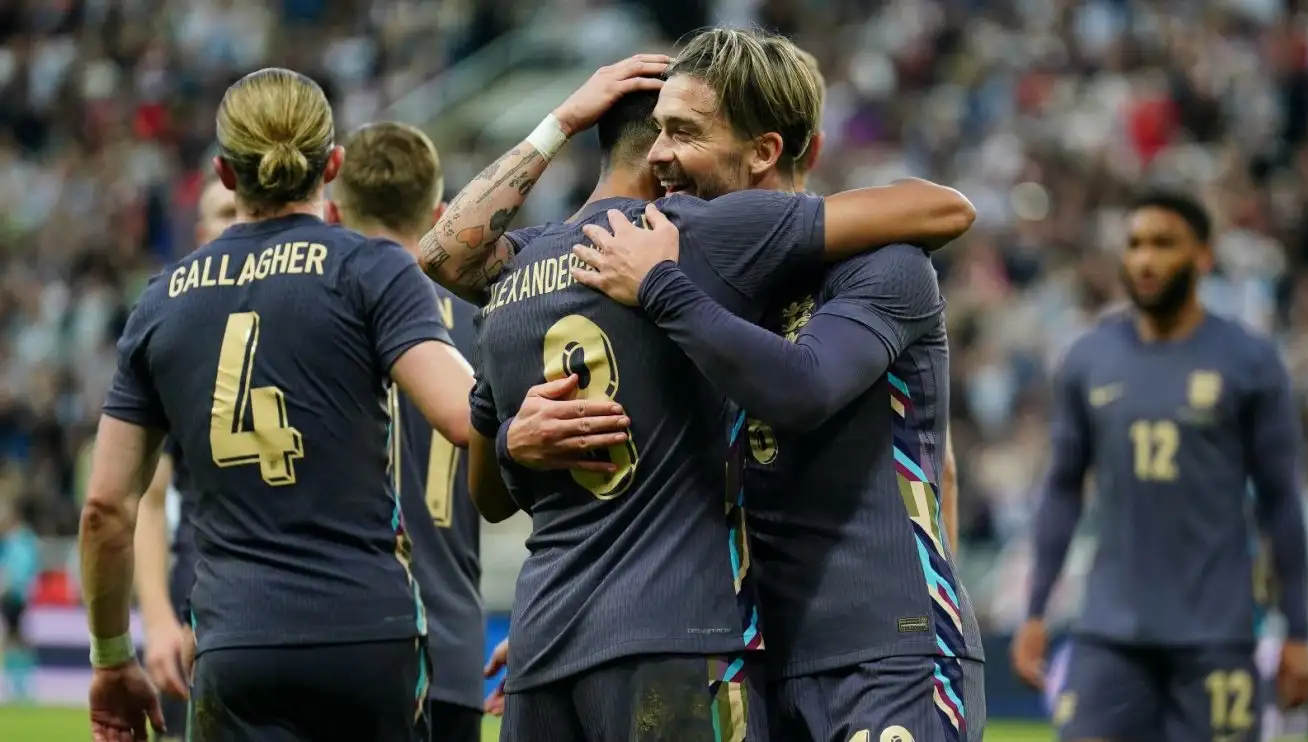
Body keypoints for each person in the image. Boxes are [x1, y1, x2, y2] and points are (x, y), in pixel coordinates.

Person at [423, 39, 975, 742]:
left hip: (880, 649)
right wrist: (578, 644)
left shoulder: (878, 265)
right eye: (656, 131)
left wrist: (660, 286)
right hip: (756, 647)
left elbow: (816, 391)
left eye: (683, 133)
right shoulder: (687, 279)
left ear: (764, 151)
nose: (659, 154)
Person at [79, 67, 477, 742]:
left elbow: (104, 510)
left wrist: (113, 658)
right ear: (333, 165)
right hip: (366, 633)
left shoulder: (161, 301)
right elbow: (465, 415)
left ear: (224, 173)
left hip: (236, 641)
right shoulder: (371, 268)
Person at [1010, 191, 1308, 742]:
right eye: (1135, 244)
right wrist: (1036, 609)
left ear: (1203, 256)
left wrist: (1297, 629)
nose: (1145, 259)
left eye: (1163, 243)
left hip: (1215, 636)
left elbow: (1281, 502)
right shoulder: (1088, 358)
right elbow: (1062, 488)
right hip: (1109, 633)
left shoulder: (1249, 361)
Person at [326, 121, 488, 742]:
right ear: (441, 216)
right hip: (455, 650)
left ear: (333, 214)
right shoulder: (485, 318)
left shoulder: (322, 310)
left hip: (346, 639)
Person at [133, 174, 238, 741]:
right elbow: (146, 500)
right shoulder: (176, 333)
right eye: (224, 213)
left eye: (243, 210)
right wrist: (156, 621)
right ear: (200, 234)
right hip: (196, 592)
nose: (237, 223)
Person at [0, 498, 40, 703]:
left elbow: (23, 569)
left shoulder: (21, 540)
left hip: (16, 595)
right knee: (13, 639)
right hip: (12, 595)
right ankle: (17, 684)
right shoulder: (13, 540)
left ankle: (21, 685)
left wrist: (12, 582)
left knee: (16, 640)